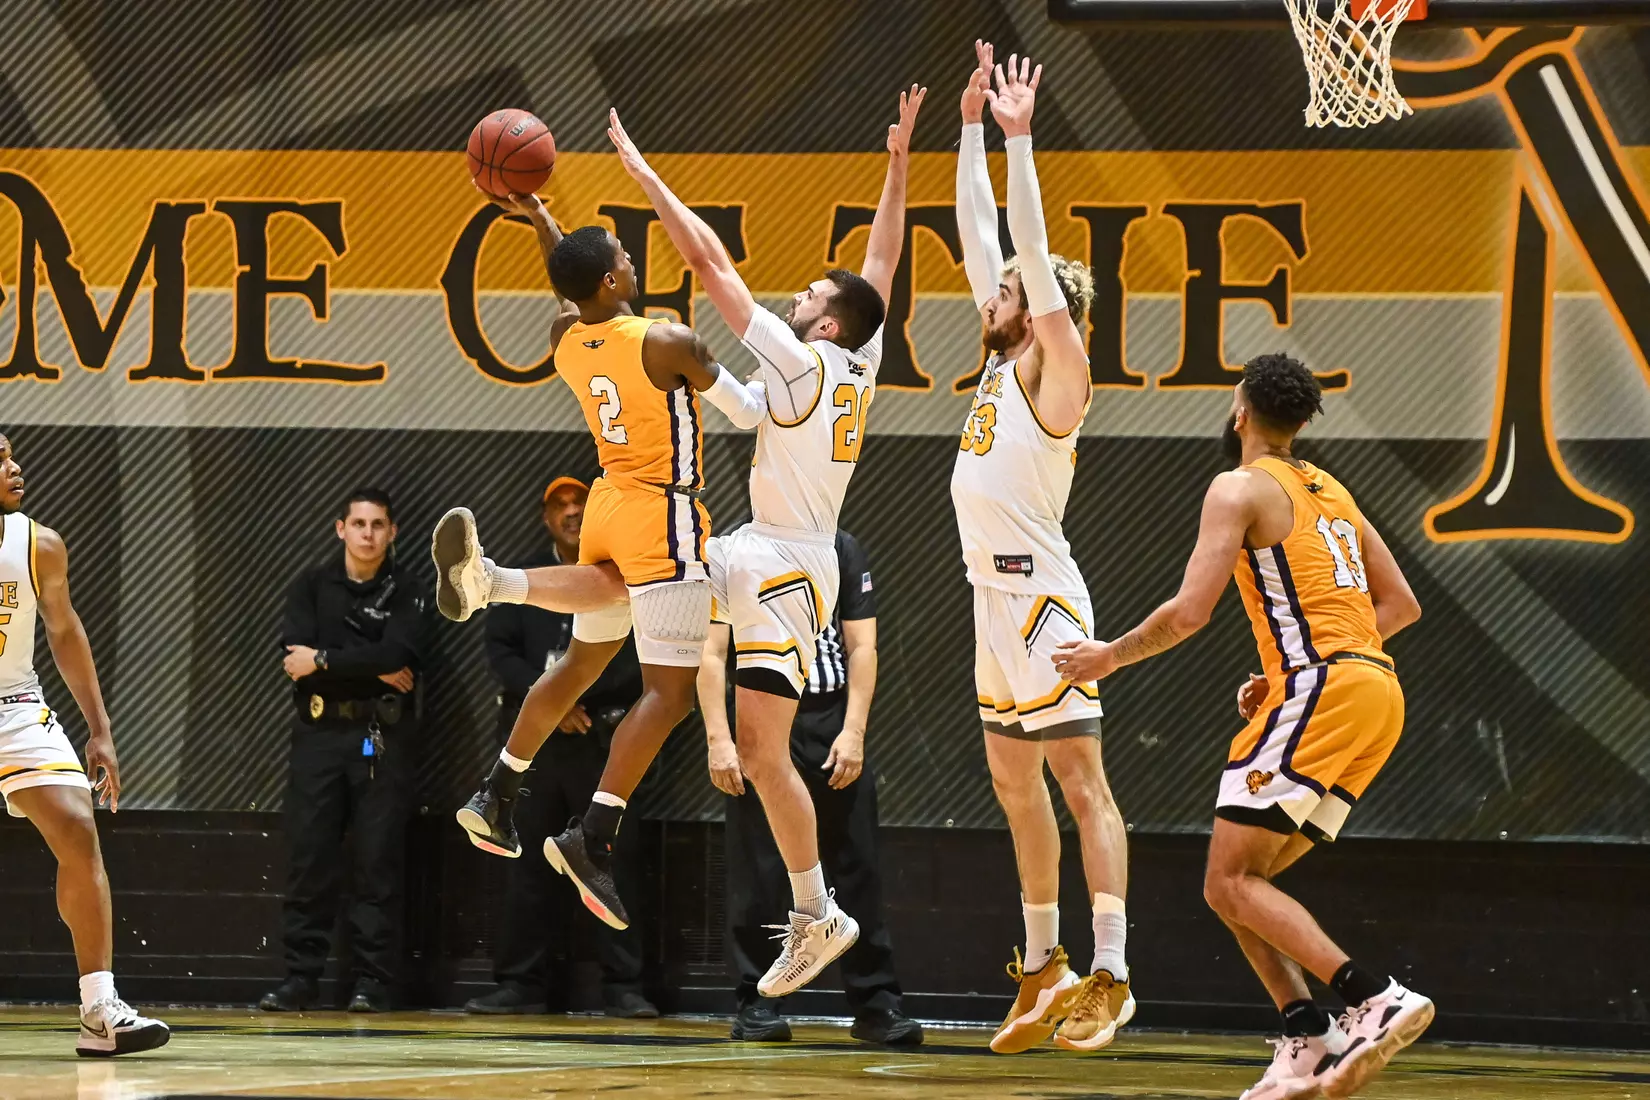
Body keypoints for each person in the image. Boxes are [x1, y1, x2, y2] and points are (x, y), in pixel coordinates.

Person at [606, 85, 920, 998]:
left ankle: (504, 586)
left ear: (822, 324)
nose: (801, 291)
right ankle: (816, 908)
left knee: (656, 569)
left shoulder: (802, 356)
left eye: (812, 294)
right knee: (762, 748)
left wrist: (649, 180)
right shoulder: (857, 358)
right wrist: (896, 170)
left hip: (781, 558)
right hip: (785, 557)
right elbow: (881, 274)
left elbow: (711, 265)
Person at [1051, 354, 1432, 1100]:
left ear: (1240, 411)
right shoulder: (1334, 490)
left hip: (1323, 689)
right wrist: (1309, 661)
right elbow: (1401, 606)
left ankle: (1371, 995)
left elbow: (1189, 612)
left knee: (1228, 881)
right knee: (1237, 885)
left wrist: (1107, 658)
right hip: (1376, 693)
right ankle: (1306, 1035)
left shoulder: (1238, 487)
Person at [437, 166, 769, 934]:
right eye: (622, 252)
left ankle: (496, 794)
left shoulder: (565, 339)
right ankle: (593, 838)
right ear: (617, 275)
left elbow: (572, 286)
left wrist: (543, 220)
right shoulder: (670, 341)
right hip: (664, 513)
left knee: (579, 664)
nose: (629, 257)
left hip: (609, 503)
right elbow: (748, 413)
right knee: (669, 695)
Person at [949, 43, 1132, 1055]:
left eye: (1008, 289)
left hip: (1043, 599)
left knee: (1077, 782)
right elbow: (982, 234)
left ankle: (1110, 969)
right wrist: (970, 129)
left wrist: (1021, 140)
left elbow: (1019, 235)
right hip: (989, 602)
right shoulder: (1000, 352)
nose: (991, 293)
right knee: (1015, 787)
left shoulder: (1060, 364)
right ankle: (1043, 962)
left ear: (1044, 306)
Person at [698, 529, 920, 1046]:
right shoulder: (735, 551)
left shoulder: (842, 546)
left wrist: (855, 729)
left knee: (855, 864)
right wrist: (719, 738)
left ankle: (877, 1006)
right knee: (761, 867)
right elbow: (711, 653)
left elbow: (862, 645)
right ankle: (757, 1004)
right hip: (763, 718)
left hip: (829, 718)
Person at [0, 433, 168, 1056]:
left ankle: (99, 1009)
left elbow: (64, 630)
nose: (15, 468)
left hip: (12, 704)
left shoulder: (38, 544)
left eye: (12, 454)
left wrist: (99, 728)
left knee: (77, 825)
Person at [465, 476, 657, 1019]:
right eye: (560, 506)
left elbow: (635, 655)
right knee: (524, 866)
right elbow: (500, 651)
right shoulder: (529, 577)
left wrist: (581, 698)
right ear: (546, 517)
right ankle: (521, 984)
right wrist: (554, 700)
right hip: (538, 743)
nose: (572, 513)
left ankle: (624, 987)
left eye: (580, 504)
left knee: (611, 857)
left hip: (601, 738)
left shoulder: (624, 576)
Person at [262, 487, 431, 1013]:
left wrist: (327, 661)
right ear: (340, 529)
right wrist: (366, 664)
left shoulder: (409, 589)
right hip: (318, 737)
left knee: (377, 862)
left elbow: (401, 652)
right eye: (358, 524)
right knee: (309, 857)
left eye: (378, 524)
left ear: (393, 532)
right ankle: (299, 980)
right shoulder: (311, 586)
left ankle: (373, 983)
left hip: (383, 739)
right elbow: (295, 656)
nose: (367, 534)